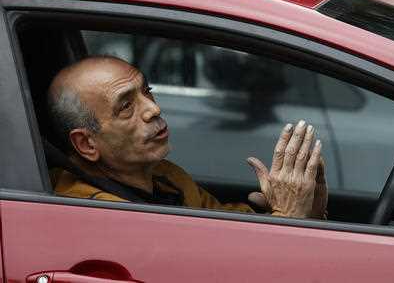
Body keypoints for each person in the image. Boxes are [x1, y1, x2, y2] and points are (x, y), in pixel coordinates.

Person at [47, 55, 327, 219]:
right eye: (126, 106)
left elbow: (226, 231)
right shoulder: (91, 212)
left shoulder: (164, 177)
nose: (154, 109)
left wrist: (306, 212)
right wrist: (288, 217)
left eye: (147, 91)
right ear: (86, 144)